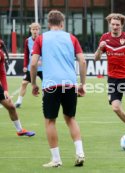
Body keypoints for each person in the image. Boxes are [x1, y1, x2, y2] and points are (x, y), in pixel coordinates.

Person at [30, 10, 86, 167]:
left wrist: (34, 84)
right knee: (70, 118)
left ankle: (56, 159)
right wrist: (82, 84)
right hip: (69, 84)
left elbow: (33, 63)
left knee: (50, 121)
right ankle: (80, 153)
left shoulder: (41, 38)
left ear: (48, 24)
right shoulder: (71, 38)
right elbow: (82, 61)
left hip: (51, 85)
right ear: (62, 24)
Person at [0, 39, 35, 137]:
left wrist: (5, 90)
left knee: (11, 107)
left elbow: (2, 73)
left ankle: (20, 130)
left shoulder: (1, 55)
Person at [15, 23, 43, 108]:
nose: (35, 31)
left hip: (43, 68)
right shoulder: (28, 41)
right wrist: (24, 65)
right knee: (24, 83)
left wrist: (42, 60)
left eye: (37, 29)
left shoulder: (43, 40)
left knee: (46, 85)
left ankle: (44, 101)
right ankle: (19, 102)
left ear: (39, 30)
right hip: (31, 67)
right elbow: (26, 54)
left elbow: (48, 52)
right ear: (30, 30)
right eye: (33, 29)